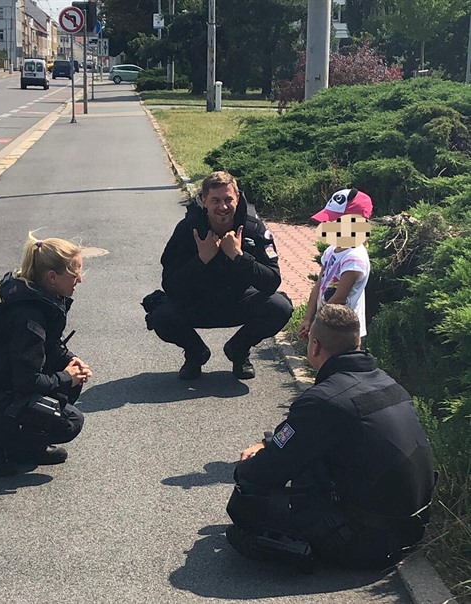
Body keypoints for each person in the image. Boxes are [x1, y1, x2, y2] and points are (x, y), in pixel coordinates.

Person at [226, 304, 435, 570]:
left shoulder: (323, 400)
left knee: (246, 498)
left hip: (367, 543)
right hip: (412, 528)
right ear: (357, 342)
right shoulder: (386, 383)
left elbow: (264, 472)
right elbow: (313, 434)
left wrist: (248, 466)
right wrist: (270, 444)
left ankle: (313, 551)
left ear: (314, 347)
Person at [0, 234, 91, 477]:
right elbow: (27, 380)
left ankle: (27, 447)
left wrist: (70, 361)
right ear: (52, 277)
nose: (79, 280)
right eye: (75, 274)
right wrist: (67, 376)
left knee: (68, 385)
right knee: (69, 422)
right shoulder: (27, 315)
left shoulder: (26, 289)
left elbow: (45, 343)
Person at [143, 171, 293, 380]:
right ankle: (195, 353)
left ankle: (238, 350)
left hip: (238, 301)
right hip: (196, 304)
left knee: (280, 306)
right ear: (204, 201)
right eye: (215, 200)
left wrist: (239, 258)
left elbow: (272, 281)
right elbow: (170, 285)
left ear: (237, 198)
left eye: (228, 199)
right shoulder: (188, 230)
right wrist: (201, 259)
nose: (222, 207)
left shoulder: (253, 228)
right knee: (161, 315)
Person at [298, 188, 372, 340]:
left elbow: (339, 298)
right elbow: (319, 285)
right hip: (326, 323)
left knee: (342, 364)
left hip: (344, 331)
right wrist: (308, 318)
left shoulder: (354, 258)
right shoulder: (332, 250)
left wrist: (316, 324)